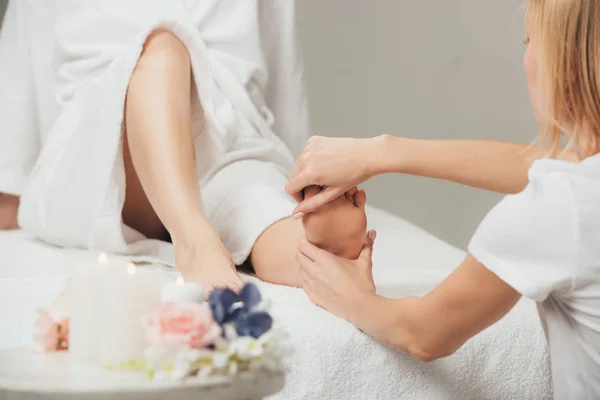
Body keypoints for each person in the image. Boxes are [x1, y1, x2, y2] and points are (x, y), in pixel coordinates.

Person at [286, 0, 600, 397]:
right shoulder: (574, 190)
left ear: (565, 64)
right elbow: (554, 168)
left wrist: (355, 300)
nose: (527, 59)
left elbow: (423, 334)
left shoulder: (556, 207)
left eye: (529, 41)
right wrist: (379, 152)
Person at [0, 1, 367, 291]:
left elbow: (279, 64)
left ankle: (317, 251)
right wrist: (16, 188)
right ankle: (193, 238)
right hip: (106, 149)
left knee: (258, 205)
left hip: (226, 137)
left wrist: (298, 187)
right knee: (164, 47)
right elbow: (21, 77)